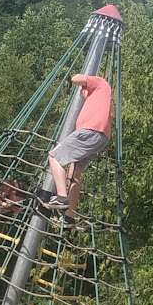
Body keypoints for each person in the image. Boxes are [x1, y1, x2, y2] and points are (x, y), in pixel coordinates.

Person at [44, 74, 114, 228]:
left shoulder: (100, 83)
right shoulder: (103, 101)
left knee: (55, 157)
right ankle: (69, 218)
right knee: (74, 176)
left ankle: (61, 197)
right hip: (100, 137)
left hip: (90, 131)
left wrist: (85, 84)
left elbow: (75, 78)